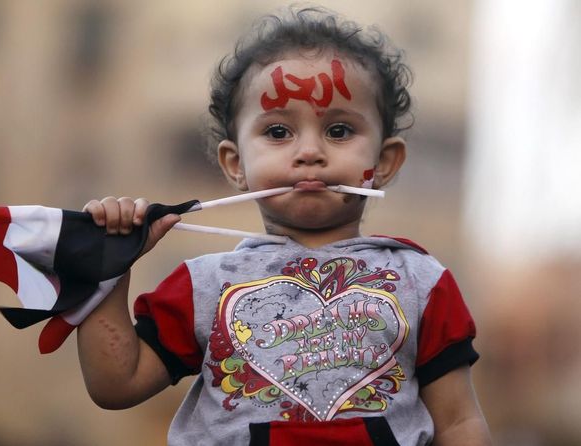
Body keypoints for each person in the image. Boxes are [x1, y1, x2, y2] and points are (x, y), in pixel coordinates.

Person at [77, 7, 491, 446]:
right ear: (236, 164)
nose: (309, 151)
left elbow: (459, 422)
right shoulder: (203, 286)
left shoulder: (422, 284)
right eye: (277, 132)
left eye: (338, 130)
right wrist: (108, 268)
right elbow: (116, 385)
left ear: (384, 162)